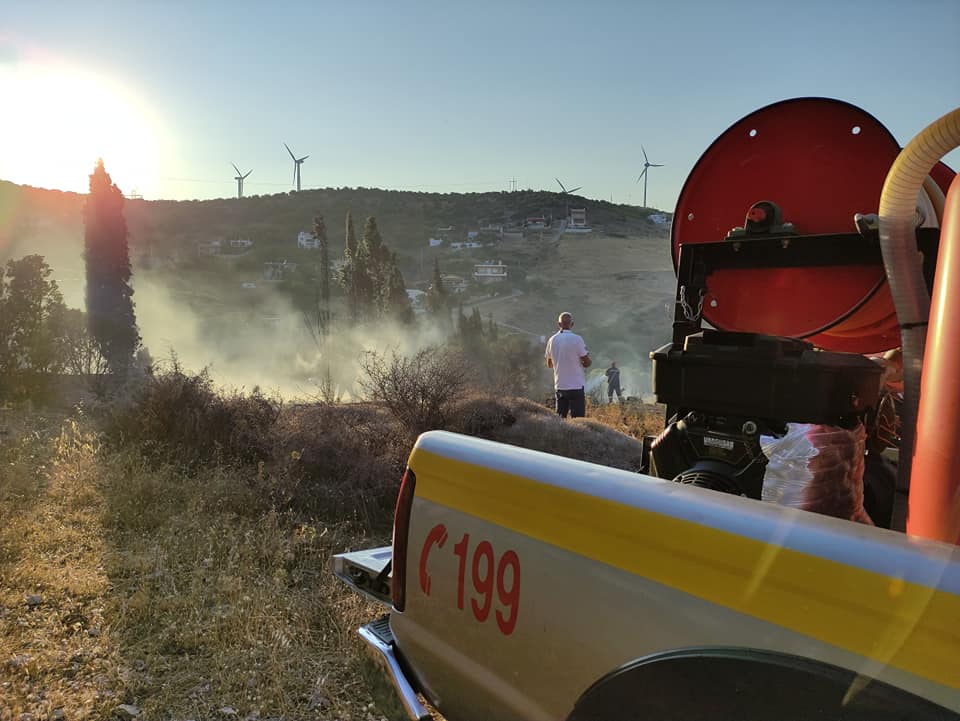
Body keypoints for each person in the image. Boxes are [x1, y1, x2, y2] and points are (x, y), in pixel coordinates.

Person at [545, 312, 591, 418]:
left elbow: (549, 364)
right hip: (576, 386)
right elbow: (587, 362)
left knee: (560, 419)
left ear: (558, 324)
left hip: (560, 386)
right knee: (578, 420)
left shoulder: (552, 340)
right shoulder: (577, 339)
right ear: (572, 324)